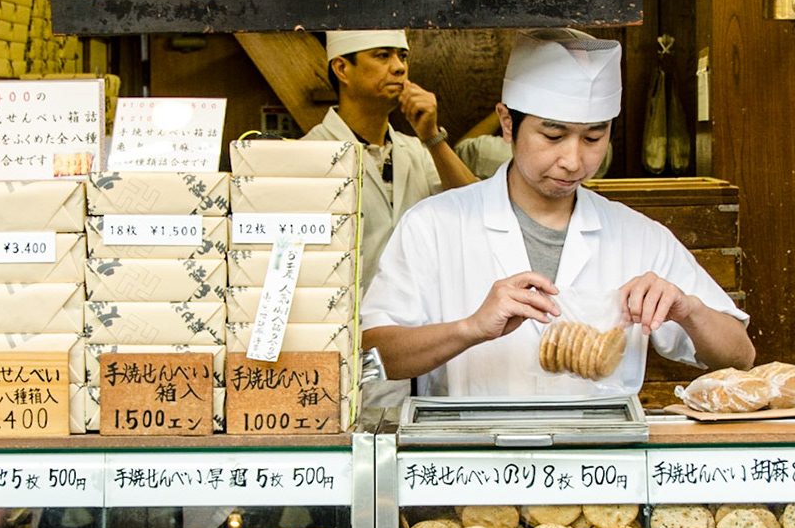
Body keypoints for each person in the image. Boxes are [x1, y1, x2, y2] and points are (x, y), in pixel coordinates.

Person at [362, 29, 754, 399]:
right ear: (507, 123)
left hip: (599, 465)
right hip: (473, 460)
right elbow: (372, 356)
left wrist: (689, 309)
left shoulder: (638, 237)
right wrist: (470, 329)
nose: (573, 160)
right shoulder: (434, 225)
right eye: (553, 136)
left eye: (593, 138)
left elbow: (740, 355)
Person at [304, 30, 475, 285]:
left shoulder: (418, 151)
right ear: (342, 68)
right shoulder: (307, 154)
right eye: (382, 56)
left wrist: (432, 137)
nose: (398, 68)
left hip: (416, 319)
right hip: (340, 317)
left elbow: (474, 208)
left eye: (403, 57)